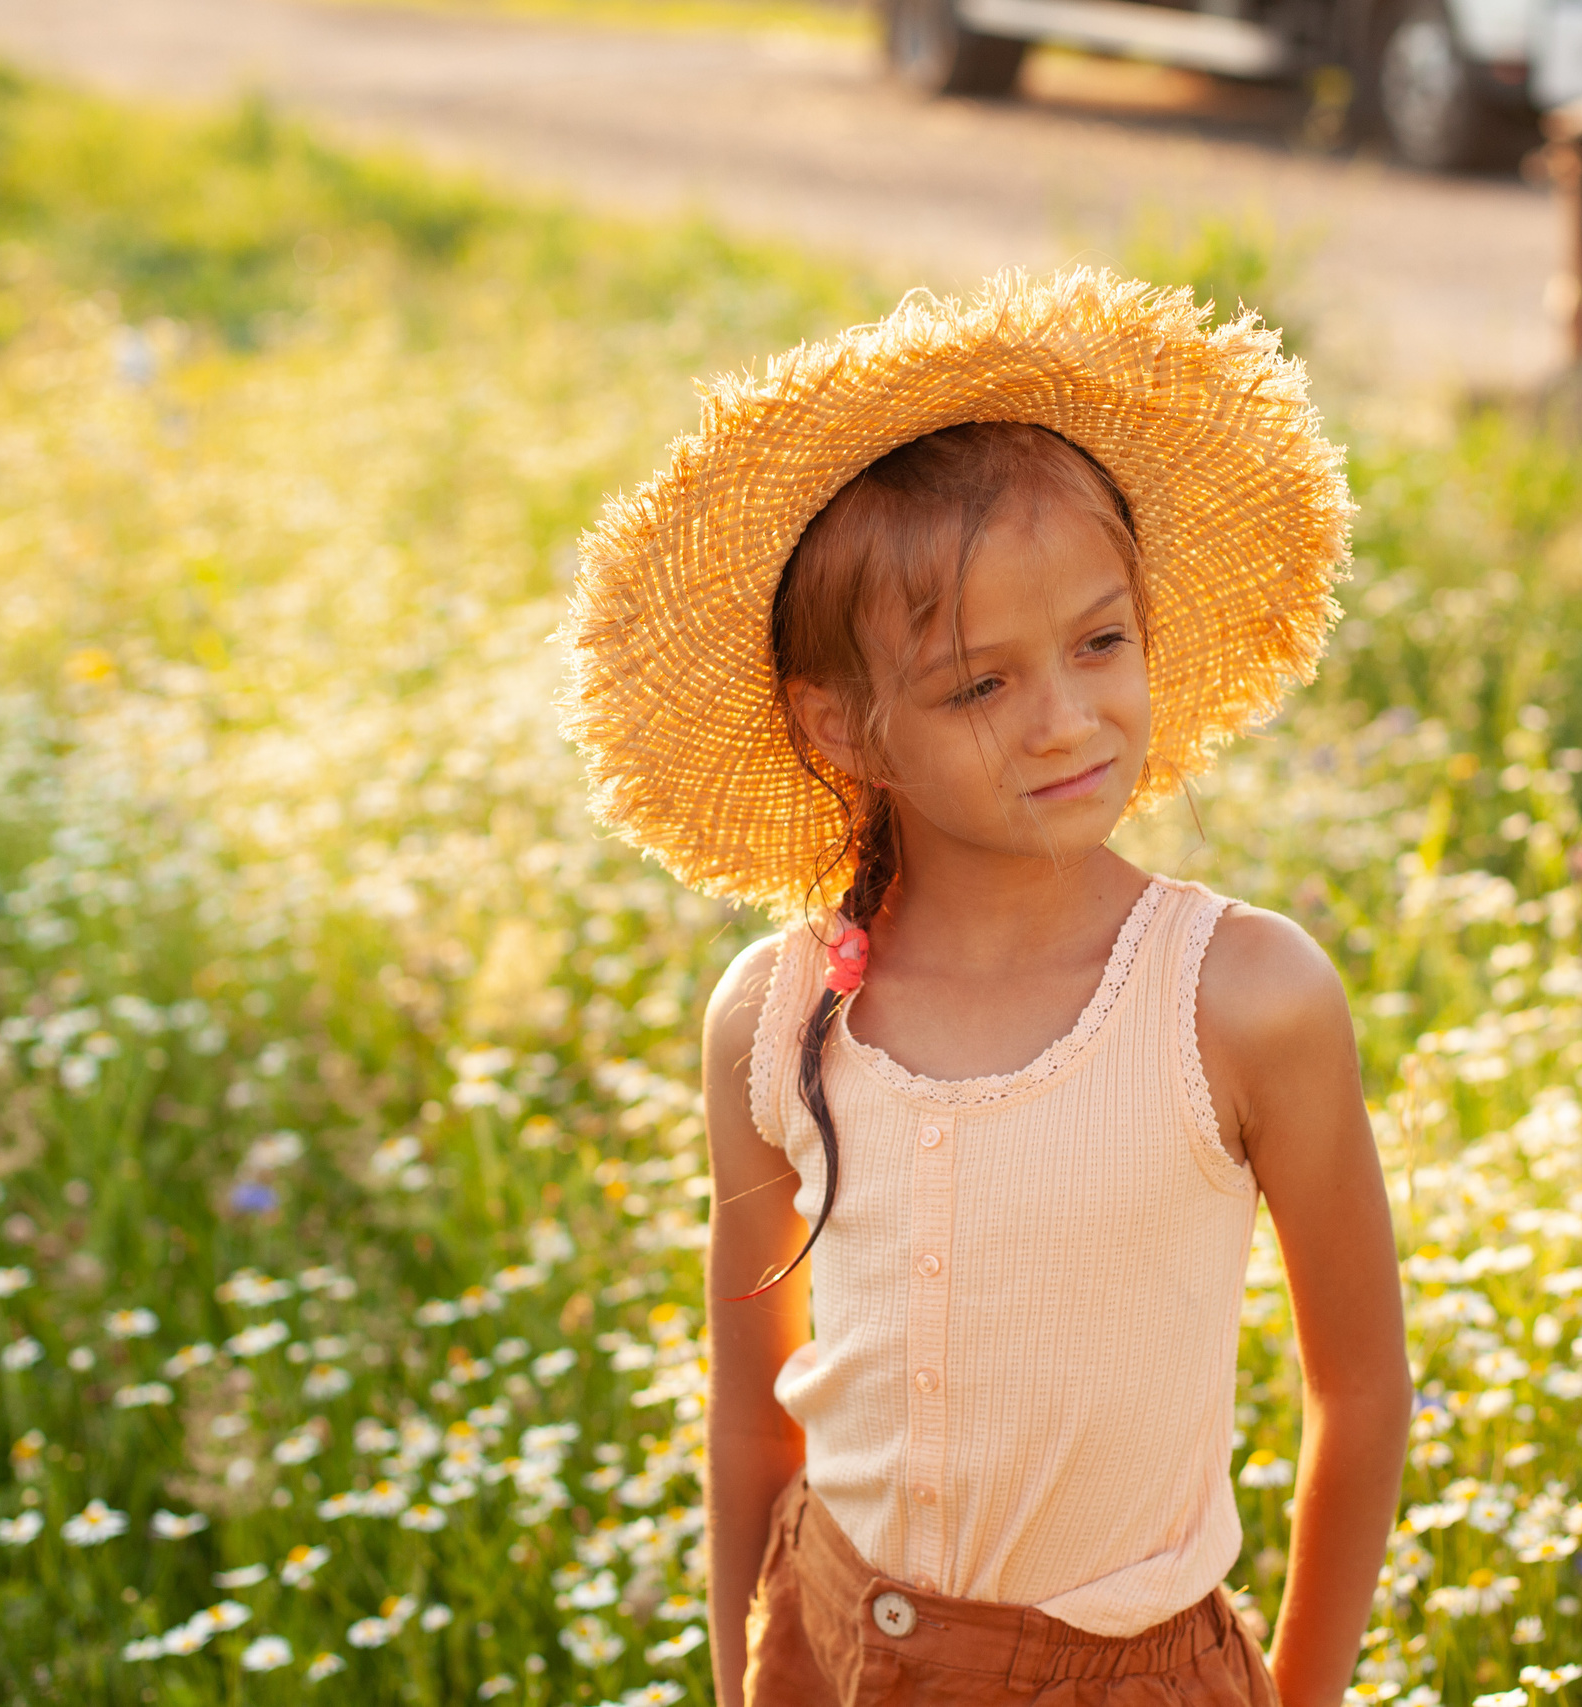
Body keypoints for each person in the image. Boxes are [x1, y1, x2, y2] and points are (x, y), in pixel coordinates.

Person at [557, 269, 1411, 1707]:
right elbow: (754, 1415)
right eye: (979, 686)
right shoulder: (774, 1018)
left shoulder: (1241, 999)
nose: (1066, 719)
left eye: (1099, 642)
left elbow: (1362, 1394)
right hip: (824, 1644)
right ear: (846, 728)